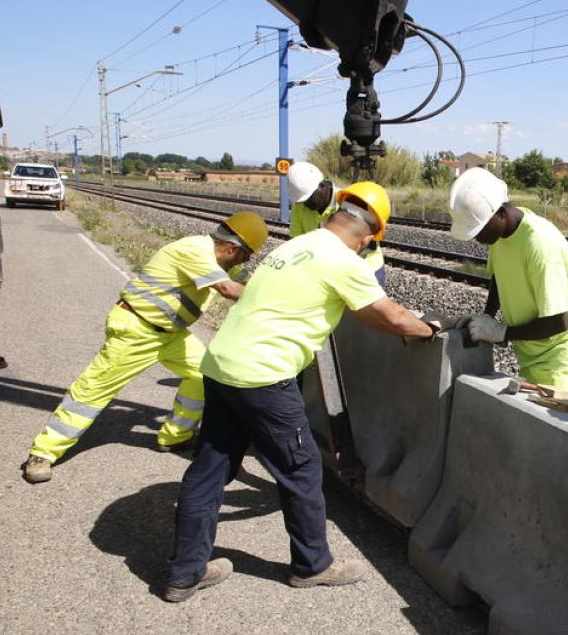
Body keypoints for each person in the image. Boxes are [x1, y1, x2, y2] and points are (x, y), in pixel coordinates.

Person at [164, 181, 444, 602]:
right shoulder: (343, 261)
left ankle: (185, 572)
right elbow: (394, 317)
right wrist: (430, 330)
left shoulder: (295, 246)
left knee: (210, 469)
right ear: (368, 237)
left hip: (221, 365)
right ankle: (313, 566)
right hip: (263, 375)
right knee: (301, 469)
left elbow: (360, 312)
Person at [21, 211, 269, 484]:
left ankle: (175, 436)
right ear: (232, 248)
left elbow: (245, 279)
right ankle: (42, 453)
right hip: (137, 328)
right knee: (92, 391)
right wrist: (273, 301)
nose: (244, 262)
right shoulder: (195, 251)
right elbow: (228, 289)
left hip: (171, 335)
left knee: (203, 372)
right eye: (246, 256)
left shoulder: (221, 260)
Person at [447, 167, 568, 396]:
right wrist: (487, 317)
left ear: (501, 213)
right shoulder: (501, 235)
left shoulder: (540, 243)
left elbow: (558, 321)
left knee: (549, 415)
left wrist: (501, 333)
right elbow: (499, 276)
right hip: (533, 349)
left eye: (479, 230)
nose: (477, 238)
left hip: (563, 355)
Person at [288, 161, 386, 285]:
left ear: (323, 186)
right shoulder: (300, 207)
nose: (307, 204)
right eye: (303, 200)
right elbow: (297, 242)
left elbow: (365, 247)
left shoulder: (349, 202)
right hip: (327, 271)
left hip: (364, 268)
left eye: (310, 198)